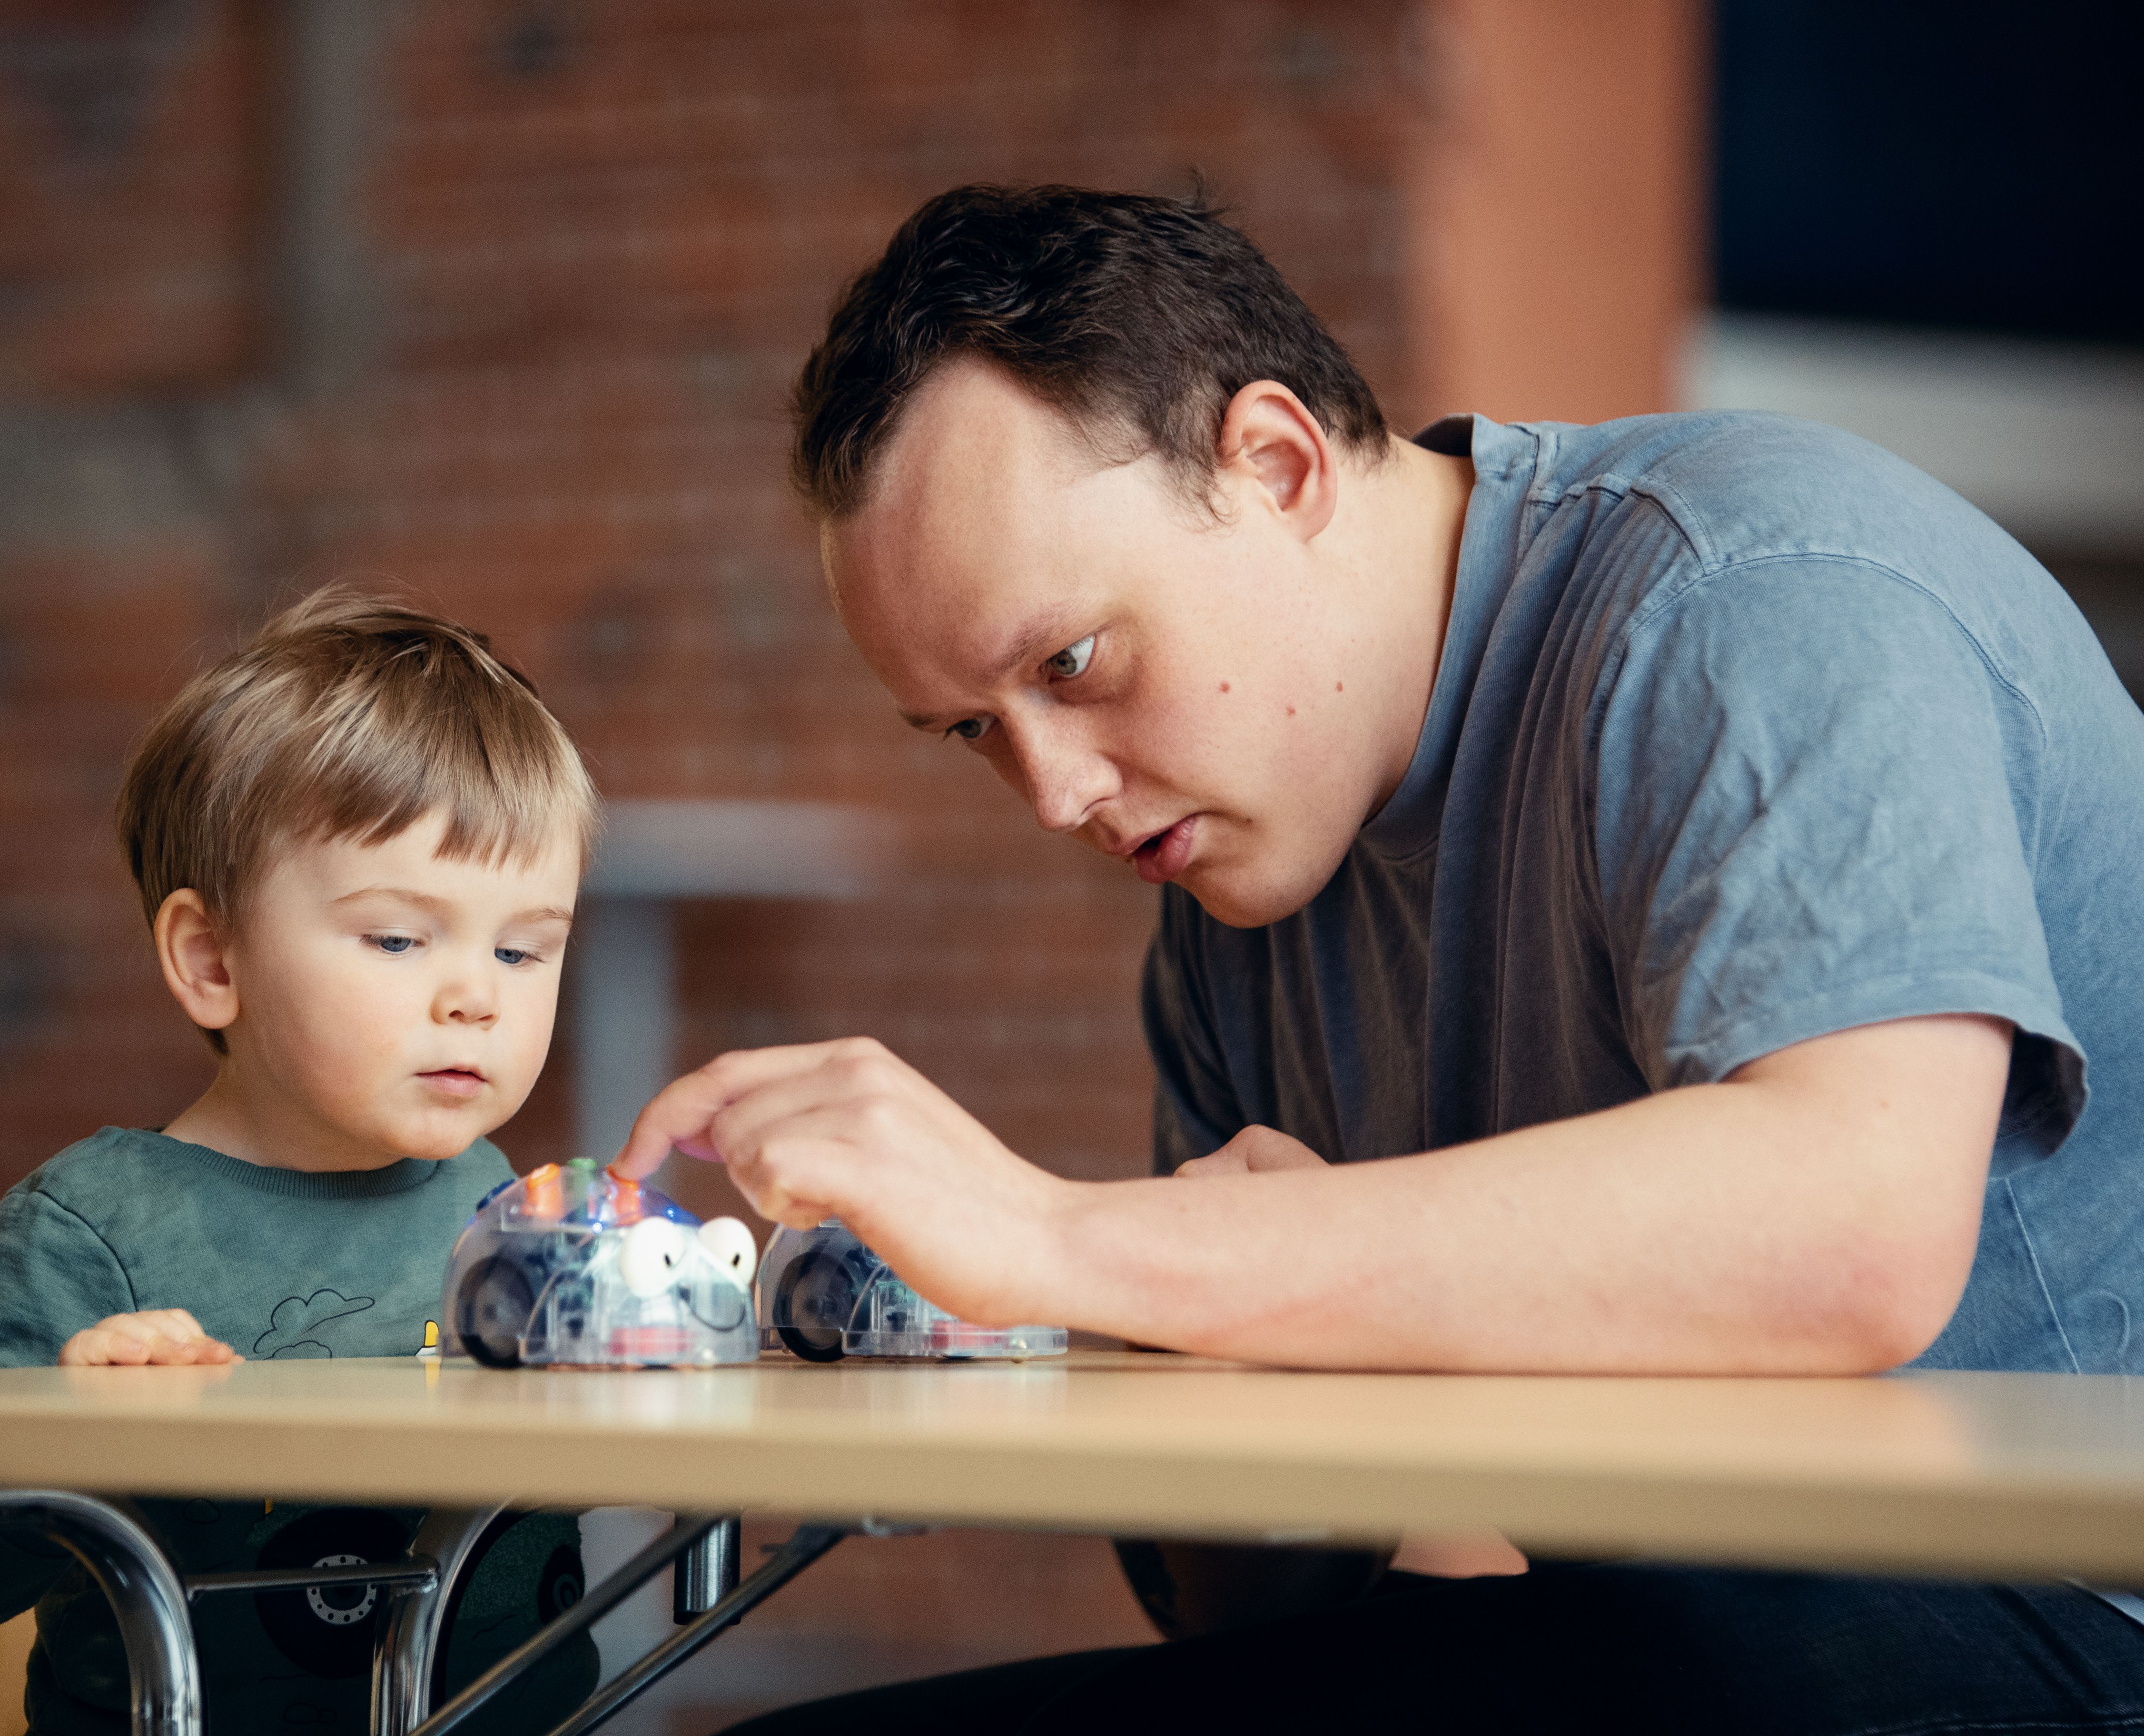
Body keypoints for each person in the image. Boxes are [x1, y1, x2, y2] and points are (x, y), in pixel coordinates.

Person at [615, 184, 2144, 1731]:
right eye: (972, 731)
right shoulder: (1233, 885)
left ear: (1274, 465)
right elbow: (1252, 1607)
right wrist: (1218, 1331)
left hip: (2046, 1610)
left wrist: (1071, 1240)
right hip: (1651, 1620)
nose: (1058, 793)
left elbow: (1853, 1224)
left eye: (1071, 663)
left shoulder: (1746, 591)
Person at [0, 588, 602, 1734]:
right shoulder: (94, 1229)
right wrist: (69, 1430)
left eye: (524, 949)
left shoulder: (506, 1205)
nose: (476, 997)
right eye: (401, 938)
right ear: (212, 959)